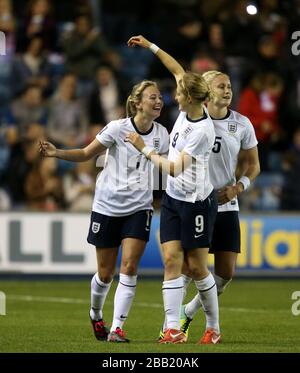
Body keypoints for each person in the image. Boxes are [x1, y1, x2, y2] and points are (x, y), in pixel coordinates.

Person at [39, 80, 169, 342]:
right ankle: (96, 313)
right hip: (107, 205)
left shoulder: (162, 134)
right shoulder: (117, 128)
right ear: (137, 102)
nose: (158, 102)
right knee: (105, 273)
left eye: (160, 98)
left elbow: (165, 167)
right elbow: (87, 153)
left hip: (139, 207)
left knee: (130, 266)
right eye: (152, 97)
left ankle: (117, 329)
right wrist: (57, 153)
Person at [126, 35, 220, 344]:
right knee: (171, 261)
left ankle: (213, 328)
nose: (173, 97)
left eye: (178, 94)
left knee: (196, 267)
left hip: (196, 202)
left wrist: (144, 150)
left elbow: (175, 167)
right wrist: (150, 45)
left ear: (190, 99)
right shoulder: (189, 103)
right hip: (173, 198)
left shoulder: (202, 131)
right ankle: (172, 329)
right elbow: (176, 68)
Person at [178, 70, 260, 339]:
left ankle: (188, 311)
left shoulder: (242, 124)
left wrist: (239, 187)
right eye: (221, 86)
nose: (228, 90)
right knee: (190, 267)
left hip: (226, 204)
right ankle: (174, 324)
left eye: (229, 86)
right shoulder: (193, 119)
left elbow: (253, 165)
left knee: (225, 274)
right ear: (208, 90)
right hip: (196, 203)